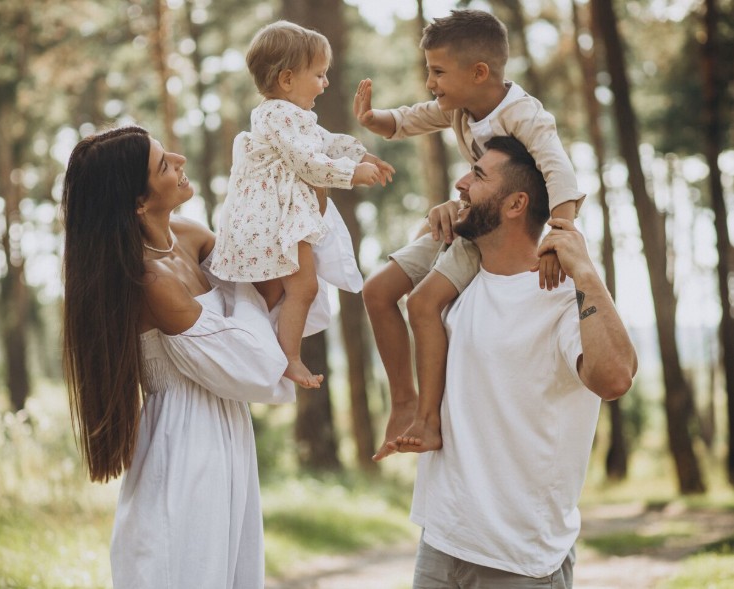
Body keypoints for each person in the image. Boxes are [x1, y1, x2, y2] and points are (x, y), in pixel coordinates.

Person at [62, 125, 303, 588]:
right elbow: (255, 366)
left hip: (228, 433)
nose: (180, 160)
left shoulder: (189, 237)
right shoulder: (151, 281)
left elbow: (274, 284)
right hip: (185, 446)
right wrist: (242, 292)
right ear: (138, 202)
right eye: (163, 165)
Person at [403, 136, 637, 587]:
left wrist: (585, 272)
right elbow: (400, 296)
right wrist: (431, 227)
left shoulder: (565, 296)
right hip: (442, 542)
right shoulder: (459, 281)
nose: (461, 182)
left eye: (478, 175)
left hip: (522, 559)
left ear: (516, 204)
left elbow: (615, 378)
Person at [355, 9, 585, 459]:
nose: (430, 83)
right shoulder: (459, 107)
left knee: (422, 304)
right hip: (466, 218)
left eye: (438, 72)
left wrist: (558, 238)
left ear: (479, 72)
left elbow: (559, 169)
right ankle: (403, 402)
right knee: (377, 292)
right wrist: (371, 119)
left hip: (502, 229)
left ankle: (428, 420)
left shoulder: (523, 114)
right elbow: (410, 119)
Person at [211, 20, 395, 389]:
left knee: (292, 291)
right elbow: (308, 161)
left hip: (281, 219)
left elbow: (325, 141)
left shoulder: (290, 116)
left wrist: (362, 155)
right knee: (303, 288)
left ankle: (272, 351)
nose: (325, 83)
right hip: (274, 222)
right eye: (320, 75)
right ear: (287, 79)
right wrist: (351, 173)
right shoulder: (277, 115)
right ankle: (288, 358)